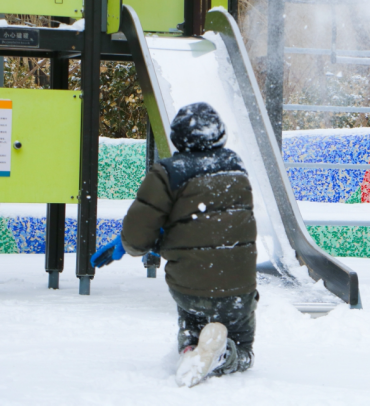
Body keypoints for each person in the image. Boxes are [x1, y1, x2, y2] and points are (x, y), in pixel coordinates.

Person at [91, 103, 258, 387]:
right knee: (245, 350)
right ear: (220, 136)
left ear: (178, 138)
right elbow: (221, 228)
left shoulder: (168, 173)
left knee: (192, 320)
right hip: (239, 288)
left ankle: (191, 348)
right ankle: (228, 353)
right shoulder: (237, 167)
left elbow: (138, 234)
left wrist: (132, 245)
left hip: (190, 286)